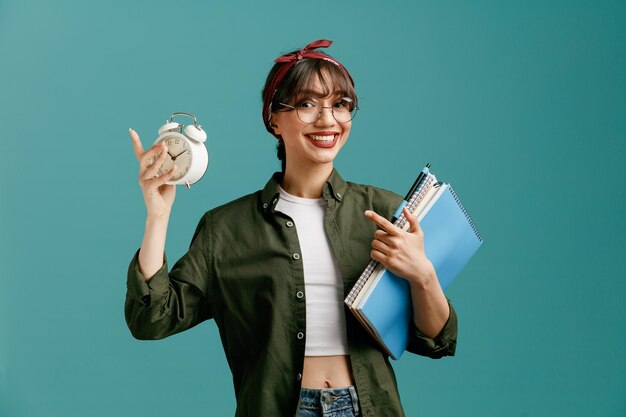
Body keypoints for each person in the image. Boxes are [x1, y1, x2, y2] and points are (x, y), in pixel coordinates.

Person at [125, 39, 457, 417]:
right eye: (306, 104)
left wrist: (423, 275)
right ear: (274, 118)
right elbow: (151, 319)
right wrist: (158, 216)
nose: (328, 119)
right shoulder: (226, 229)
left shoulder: (385, 212)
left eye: (340, 105)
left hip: (370, 407)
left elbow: (437, 339)